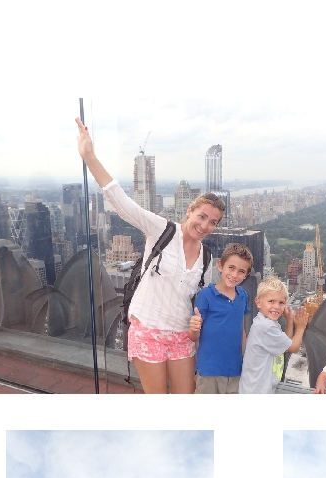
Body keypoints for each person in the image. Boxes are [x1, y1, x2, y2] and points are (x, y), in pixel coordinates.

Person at [75, 117, 224, 394]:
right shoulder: (162, 230)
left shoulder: (206, 257)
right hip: (148, 329)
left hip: (182, 335)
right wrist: (89, 157)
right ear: (189, 211)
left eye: (212, 222)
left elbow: (203, 300)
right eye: (202, 216)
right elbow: (123, 204)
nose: (205, 226)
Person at [188, 243, 253, 394]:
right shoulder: (206, 295)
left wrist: (246, 359)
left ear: (246, 275)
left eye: (241, 271)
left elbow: (242, 331)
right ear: (220, 266)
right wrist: (194, 328)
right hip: (209, 370)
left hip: (236, 370)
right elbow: (193, 337)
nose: (235, 275)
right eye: (231, 268)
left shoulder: (243, 296)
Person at [239, 277, 308, 394]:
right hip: (257, 391)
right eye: (271, 301)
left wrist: (290, 321)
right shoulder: (266, 327)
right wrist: (300, 328)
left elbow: (285, 343)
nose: (276, 306)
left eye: (281, 303)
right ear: (258, 302)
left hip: (256, 388)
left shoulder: (266, 322)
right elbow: (292, 347)